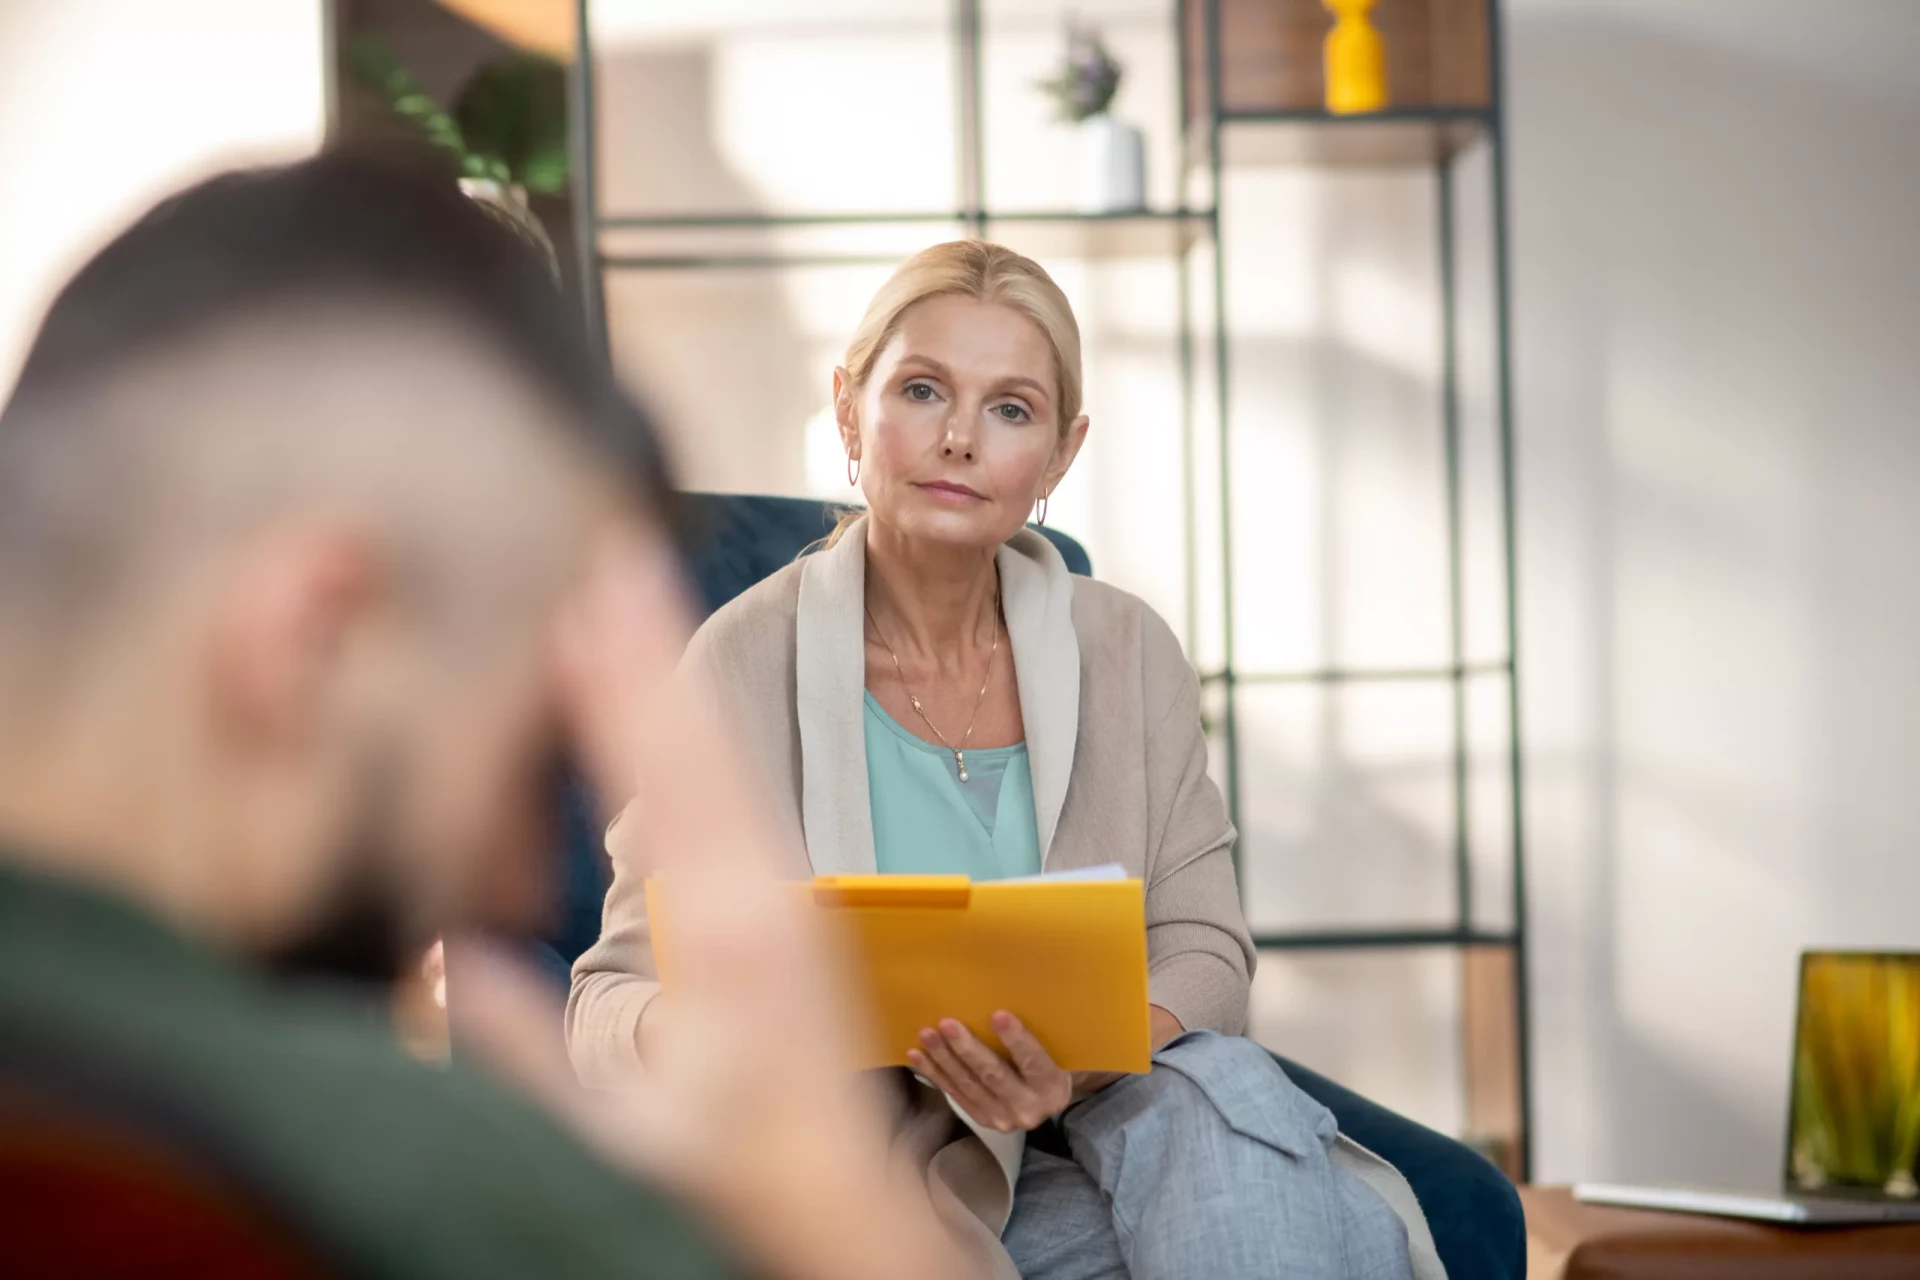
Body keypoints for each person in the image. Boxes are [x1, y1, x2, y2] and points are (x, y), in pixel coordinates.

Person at [0, 152, 964, 1280]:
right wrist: (826, 1191)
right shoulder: (409, 1187)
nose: (512, 881)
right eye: (521, 756)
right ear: (311, 640)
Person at [570, 240, 1445, 1280]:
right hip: (897, 1185)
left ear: (1060, 457)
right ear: (849, 410)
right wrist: (733, 1037)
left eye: (1011, 409)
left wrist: (1077, 1065)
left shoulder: (1127, 650)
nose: (958, 438)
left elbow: (1206, 948)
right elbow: (605, 1003)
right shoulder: (737, 661)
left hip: (1116, 1128)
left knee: (1200, 1089)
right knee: (1324, 1219)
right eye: (923, 389)